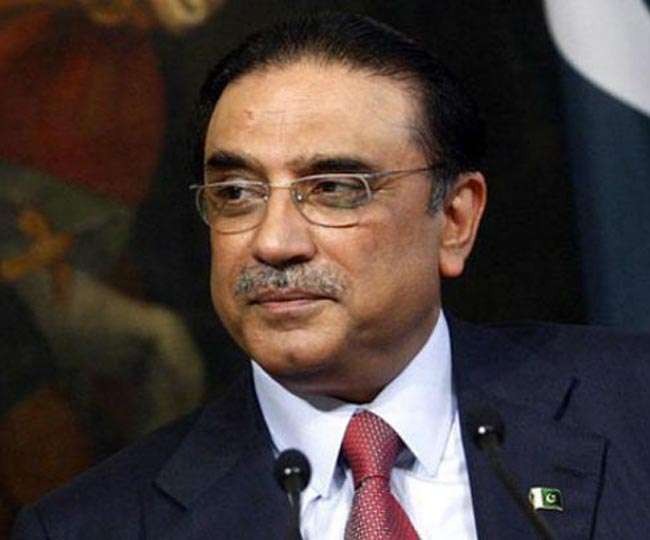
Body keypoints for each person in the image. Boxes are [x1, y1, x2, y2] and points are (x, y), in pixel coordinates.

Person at [12, 12, 650, 540]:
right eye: (235, 193)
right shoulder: (90, 527)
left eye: (334, 189)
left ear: (455, 220)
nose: (273, 243)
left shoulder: (633, 409)